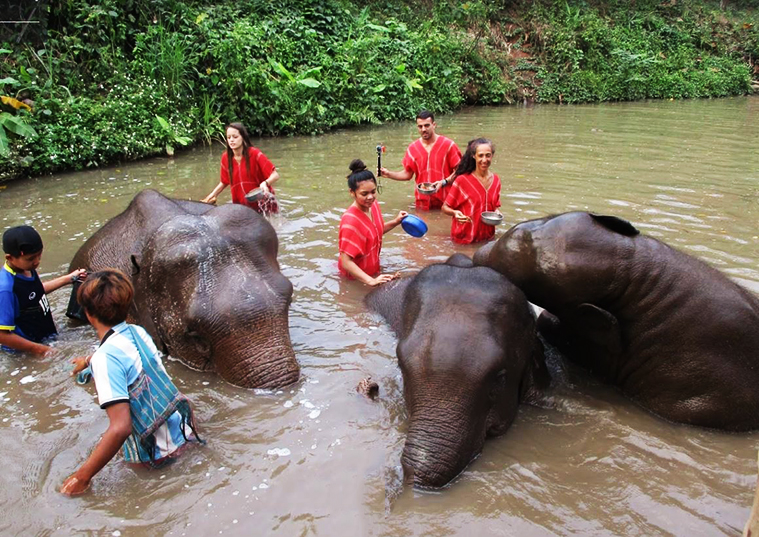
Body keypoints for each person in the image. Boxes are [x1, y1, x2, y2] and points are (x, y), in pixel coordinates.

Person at [60, 269, 200, 496]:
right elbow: (126, 359)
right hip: (185, 431)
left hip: (156, 456)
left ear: (88, 314)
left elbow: (121, 428)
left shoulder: (106, 359)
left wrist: (81, 477)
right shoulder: (137, 332)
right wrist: (87, 361)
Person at [0, 225, 86, 355]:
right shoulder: (6, 289)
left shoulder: (26, 268)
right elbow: (3, 335)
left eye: (39, 256)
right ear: (10, 258)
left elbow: (34, 292)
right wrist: (40, 349)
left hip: (43, 338)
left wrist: (68, 279)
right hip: (25, 351)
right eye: (31, 258)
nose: (37, 262)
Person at [338, 159, 408, 286]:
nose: (370, 197)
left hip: (373, 271)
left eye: (373, 192)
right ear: (352, 193)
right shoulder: (350, 221)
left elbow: (375, 232)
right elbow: (346, 261)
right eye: (364, 194)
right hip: (356, 279)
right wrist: (370, 280)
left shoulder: (373, 205)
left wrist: (396, 222)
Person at [380, 110, 462, 211]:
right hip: (422, 202)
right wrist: (388, 174)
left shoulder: (448, 145)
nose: (423, 129)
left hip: (447, 203)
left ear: (434, 125)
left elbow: (460, 171)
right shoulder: (412, 148)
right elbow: (407, 174)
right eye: (420, 126)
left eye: (427, 125)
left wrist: (444, 182)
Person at [201, 122, 280, 213]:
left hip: (264, 205)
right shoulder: (226, 158)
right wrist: (210, 196)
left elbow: (275, 175)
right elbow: (224, 182)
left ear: (243, 137)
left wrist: (265, 183)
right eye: (229, 137)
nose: (231, 140)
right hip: (242, 208)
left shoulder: (255, 154)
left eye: (235, 137)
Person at [442, 138, 502, 244]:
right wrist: (455, 213)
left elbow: (495, 205)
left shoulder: (496, 181)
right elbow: (445, 207)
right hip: (464, 239)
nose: (484, 160)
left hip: (487, 239)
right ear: (474, 156)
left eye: (488, 155)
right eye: (481, 155)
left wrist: (497, 212)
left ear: (492, 156)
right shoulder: (462, 180)